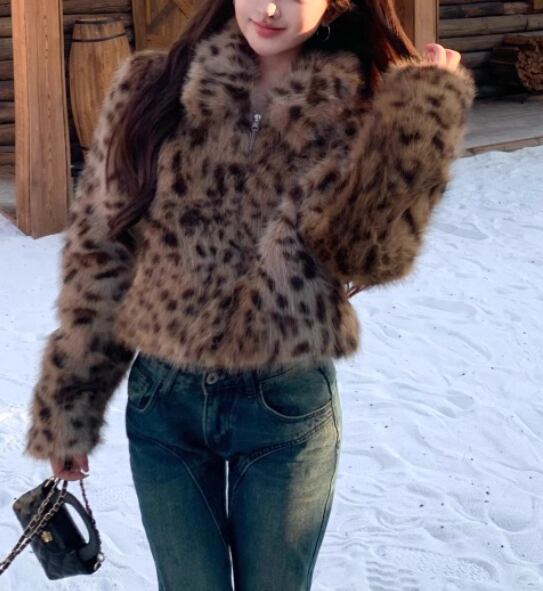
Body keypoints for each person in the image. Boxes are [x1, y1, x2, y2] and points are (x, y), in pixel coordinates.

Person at [22, 0, 476, 587]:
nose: (269, 8)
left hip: (284, 404)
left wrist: (420, 121)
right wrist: (69, 403)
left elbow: (366, 257)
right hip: (165, 404)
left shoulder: (363, 105)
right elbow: (100, 259)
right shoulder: (151, 89)